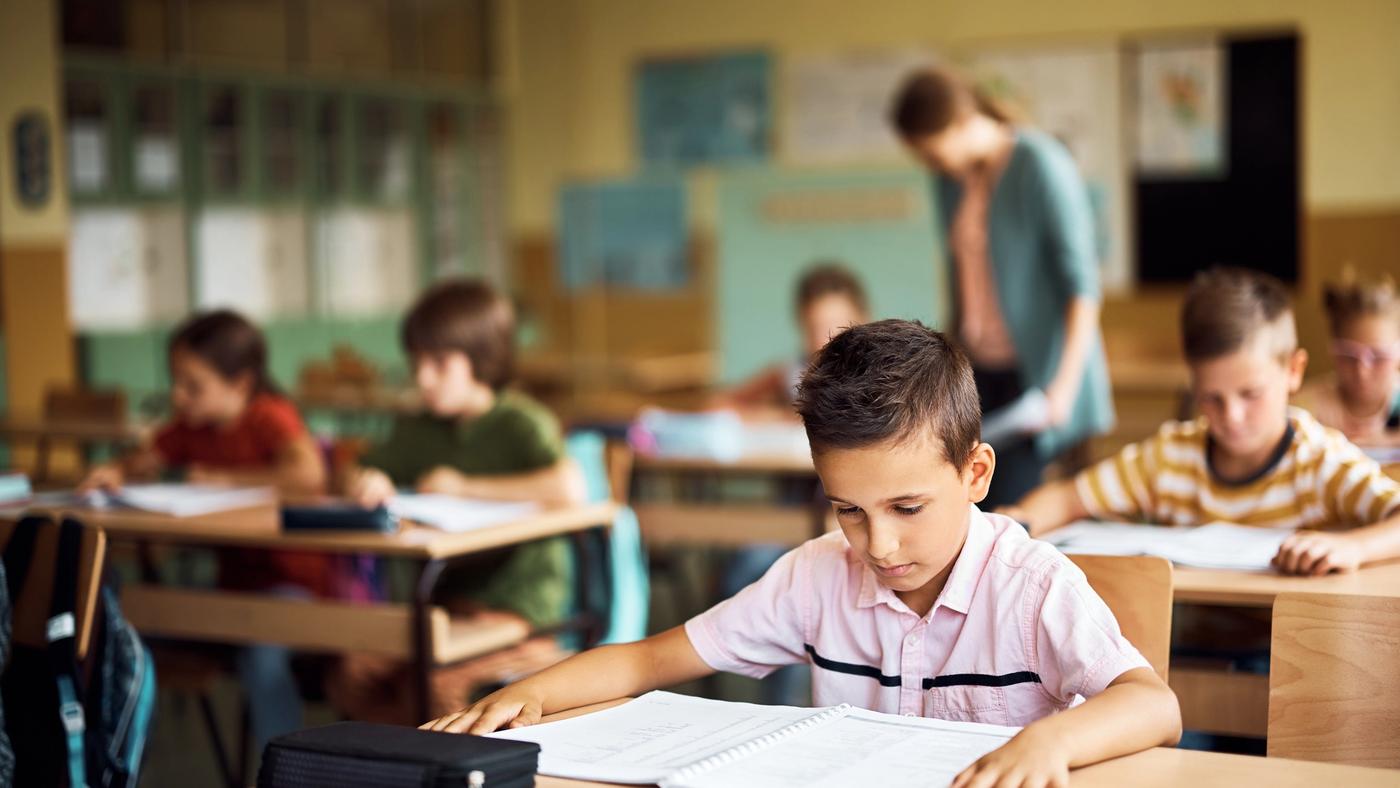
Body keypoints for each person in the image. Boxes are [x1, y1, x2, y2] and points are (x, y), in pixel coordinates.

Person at [426, 320, 1181, 787]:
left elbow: (1153, 704)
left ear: (976, 474)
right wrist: (528, 694)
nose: (878, 545)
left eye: (907, 508)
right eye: (848, 510)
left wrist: (1048, 740)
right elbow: (648, 661)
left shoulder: (1033, 585)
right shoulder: (816, 575)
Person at [1006, 268, 1400, 575]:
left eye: (1251, 394)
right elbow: (1069, 497)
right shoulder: (1171, 456)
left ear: (1294, 371)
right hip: (1187, 647)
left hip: (1293, 647)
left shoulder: (1319, 460)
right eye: (1212, 398)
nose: (1232, 417)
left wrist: (1354, 548)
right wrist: (1015, 523)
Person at [328, 278, 587, 722]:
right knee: (353, 671)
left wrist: (463, 485)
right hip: (445, 610)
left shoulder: (521, 422)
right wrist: (363, 479)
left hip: (522, 615)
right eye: (417, 363)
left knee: (441, 685)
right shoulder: (419, 429)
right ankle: (398, 767)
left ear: (481, 360)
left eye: (440, 363)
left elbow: (568, 488)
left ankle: (450, 771)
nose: (423, 378)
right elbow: (350, 469)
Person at [80, 309, 329, 751]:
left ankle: (290, 775)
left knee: (262, 656)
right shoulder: (191, 427)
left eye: (193, 385)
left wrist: (219, 477)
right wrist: (115, 470)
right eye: (174, 381)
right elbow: (144, 457)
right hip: (230, 593)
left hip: (293, 589)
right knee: (118, 627)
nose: (178, 395)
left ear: (241, 384)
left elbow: (308, 474)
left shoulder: (269, 415)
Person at [891, 67, 1113, 507]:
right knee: (955, 503)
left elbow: (1082, 286)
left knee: (1009, 515)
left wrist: (1062, 389)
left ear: (958, 124)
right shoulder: (949, 182)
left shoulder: (1040, 164)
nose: (929, 165)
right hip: (979, 371)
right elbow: (961, 278)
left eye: (931, 153)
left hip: (1039, 380)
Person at [715, 263, 870, 414]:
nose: (826, 341)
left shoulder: (880, 373)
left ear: (864, 319)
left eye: (839, 327)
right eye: (815, 329)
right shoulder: (791, 375)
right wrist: (776, 415)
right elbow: (718, 404)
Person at [1294, 270, 1400, 449]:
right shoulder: (1306, 409)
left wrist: (1386, 441)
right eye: (1349, 356)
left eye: (1379, 357)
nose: (1362, 371)